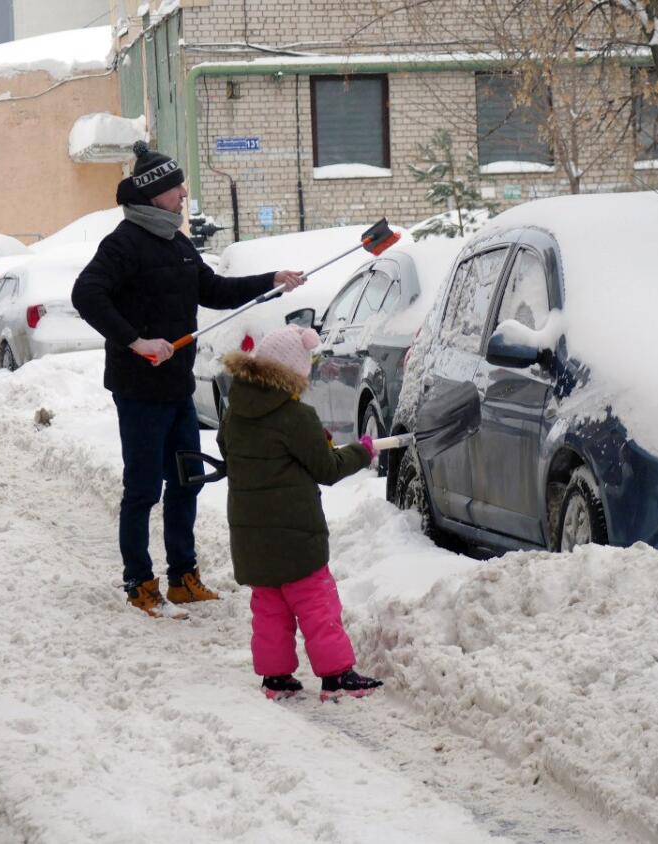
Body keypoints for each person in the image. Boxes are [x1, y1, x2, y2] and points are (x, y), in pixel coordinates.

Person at [73, 141, 305, 618]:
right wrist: (136, 341)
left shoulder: (177, 244)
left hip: (178, 387)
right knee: (143, 488)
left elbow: (214, 290)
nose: (184, 194)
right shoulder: (123, 244)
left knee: (186, 481)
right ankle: (139, 579)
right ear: (154, 194)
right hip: (139, 390)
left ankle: (183, 576)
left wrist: (271, 279)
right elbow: (87, 295)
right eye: (175, 187)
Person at [217, 325, 384, 701]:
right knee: (316, 604)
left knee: (270, 608)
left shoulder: (236, 412)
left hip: (251, 537)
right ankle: (337, 675)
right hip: (295, 535)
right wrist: (362, 451)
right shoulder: (295, 415)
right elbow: (327, 468)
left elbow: (228, 448)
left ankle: (276, 678)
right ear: (294, 372)